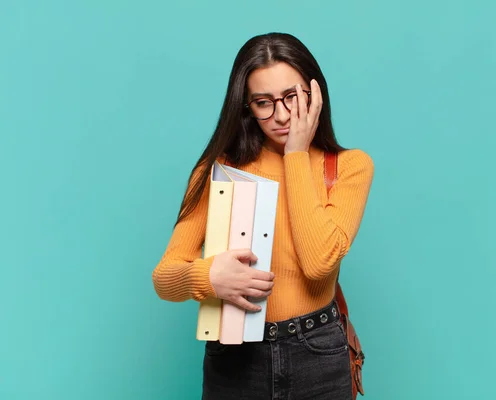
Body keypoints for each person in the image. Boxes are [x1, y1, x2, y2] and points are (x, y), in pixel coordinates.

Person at [152, 32, 374, 400]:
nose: (282, 115)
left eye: (291, 96)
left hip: (317, 353)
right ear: (247, 107)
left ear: (314, 93)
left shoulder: (349, 168)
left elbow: (318, 264)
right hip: (236, 358)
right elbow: (164, 278)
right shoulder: (219, 170)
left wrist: (296, 155)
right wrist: (209, 276)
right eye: (263, 103)